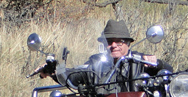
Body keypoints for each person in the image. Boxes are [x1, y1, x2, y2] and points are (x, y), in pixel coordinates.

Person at [40, 19, 172, 92]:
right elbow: (74, 76)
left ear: (128, 43)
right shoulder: (96, 63)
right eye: (109, 41)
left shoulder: (140, 62)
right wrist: (54, 71)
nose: (114, 45)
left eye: (119, 41)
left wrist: (158, 64)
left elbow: (168, 71)